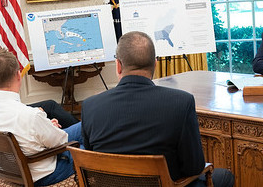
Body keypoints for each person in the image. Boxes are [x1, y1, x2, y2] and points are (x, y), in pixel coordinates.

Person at [81, 31, 234, 187]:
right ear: (155, 64)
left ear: (119, 65)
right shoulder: (181, 102)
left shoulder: (90, 106)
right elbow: (193, 167)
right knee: (223, 176)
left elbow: (91, 164)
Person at [0, 49, 83, 186]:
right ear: (18, 75)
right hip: (43, 174)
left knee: (82, 129)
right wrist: (48, 127)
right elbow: (61, 141)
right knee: (86, 135)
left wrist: (47, 126)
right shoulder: (30, 115)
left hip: (9, 171)